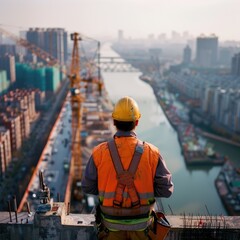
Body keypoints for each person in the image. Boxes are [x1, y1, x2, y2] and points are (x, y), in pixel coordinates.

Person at [82, 96, 174, 240]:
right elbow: (166, 190)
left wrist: (107, 187)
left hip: (110, 226)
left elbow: (87, 187)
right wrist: (145, 187)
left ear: (114, 121)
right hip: (142, 226)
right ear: (136, 122)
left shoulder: (99, 152)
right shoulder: (152, 153)